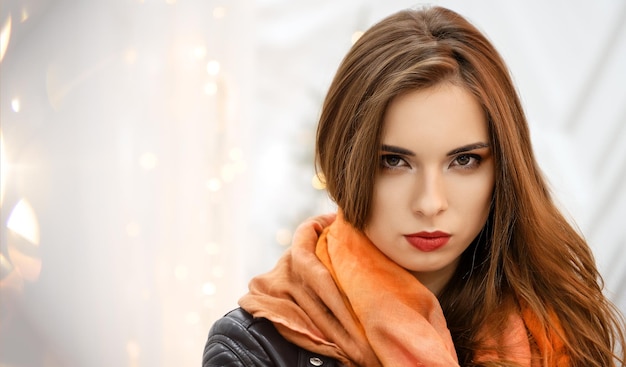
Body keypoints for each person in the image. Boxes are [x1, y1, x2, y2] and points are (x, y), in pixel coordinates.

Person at [202, 5, 626, 367]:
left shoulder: (558, 325)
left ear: (503, 170)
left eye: (464, 160)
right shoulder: (255, 350)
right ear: (344, 160)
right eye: (394, 161)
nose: (429, 203)